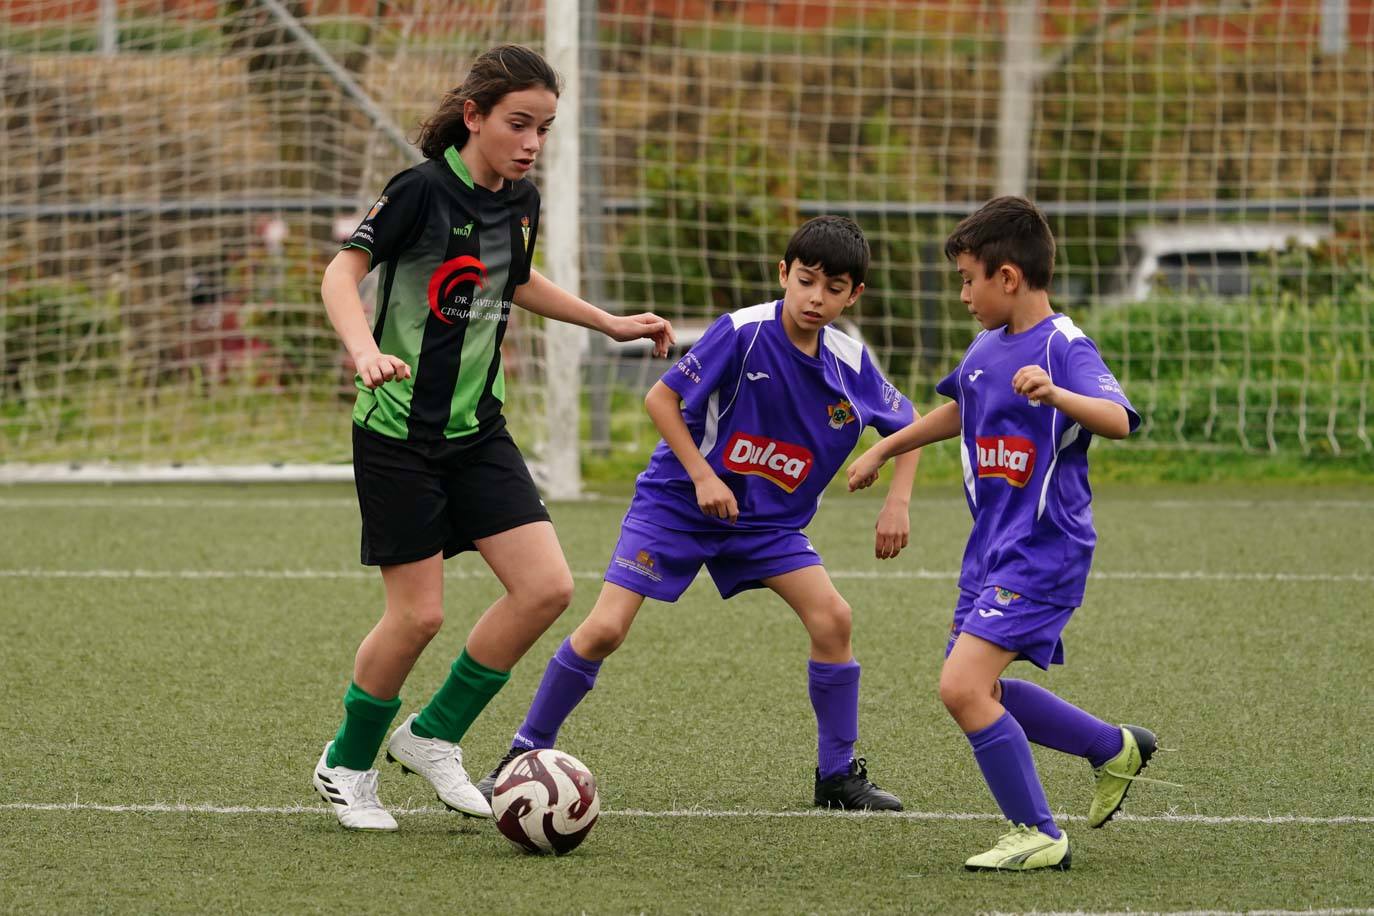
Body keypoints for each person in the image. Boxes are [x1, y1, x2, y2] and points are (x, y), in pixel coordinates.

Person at [311, 44, 674, 831]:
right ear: (473, 117)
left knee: (546, 587)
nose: (532, 141)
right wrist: (365, 352)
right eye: (519, 124)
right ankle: (346, 763)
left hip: (478, 431)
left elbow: (515, 279)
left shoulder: (521, 198)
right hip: (399, 432)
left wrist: (606, 321)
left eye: (543, 127)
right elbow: (341, 275)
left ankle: (434, 735)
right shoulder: (419, 192)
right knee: (417, 617)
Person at [476, 216, 918, 811]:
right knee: (605, 629)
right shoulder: (742, 332)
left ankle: (836, 776)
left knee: (833, 618)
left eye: (834, 288)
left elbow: (910, 426)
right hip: (678, 503)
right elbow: (661, 398)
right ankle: (521, 754)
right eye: (807, 280)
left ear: (854, 294)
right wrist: (704, 474)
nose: (817, 298)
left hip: (764, 525)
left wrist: (897, 501)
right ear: (783, 273)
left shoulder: (850, 361)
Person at [848, 196, 1160, 870]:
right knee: (979, 690)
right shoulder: (987, 347)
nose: (963, 293)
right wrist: (882, 448)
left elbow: (1119, 418)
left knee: (960, 688)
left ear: (1009, 277)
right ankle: (1112, 747)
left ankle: (1038, 832)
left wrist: (1055, 394)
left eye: (968, 278)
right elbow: (960, 407)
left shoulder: (1063, 346)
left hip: (1045, 549)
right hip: (990, 549)